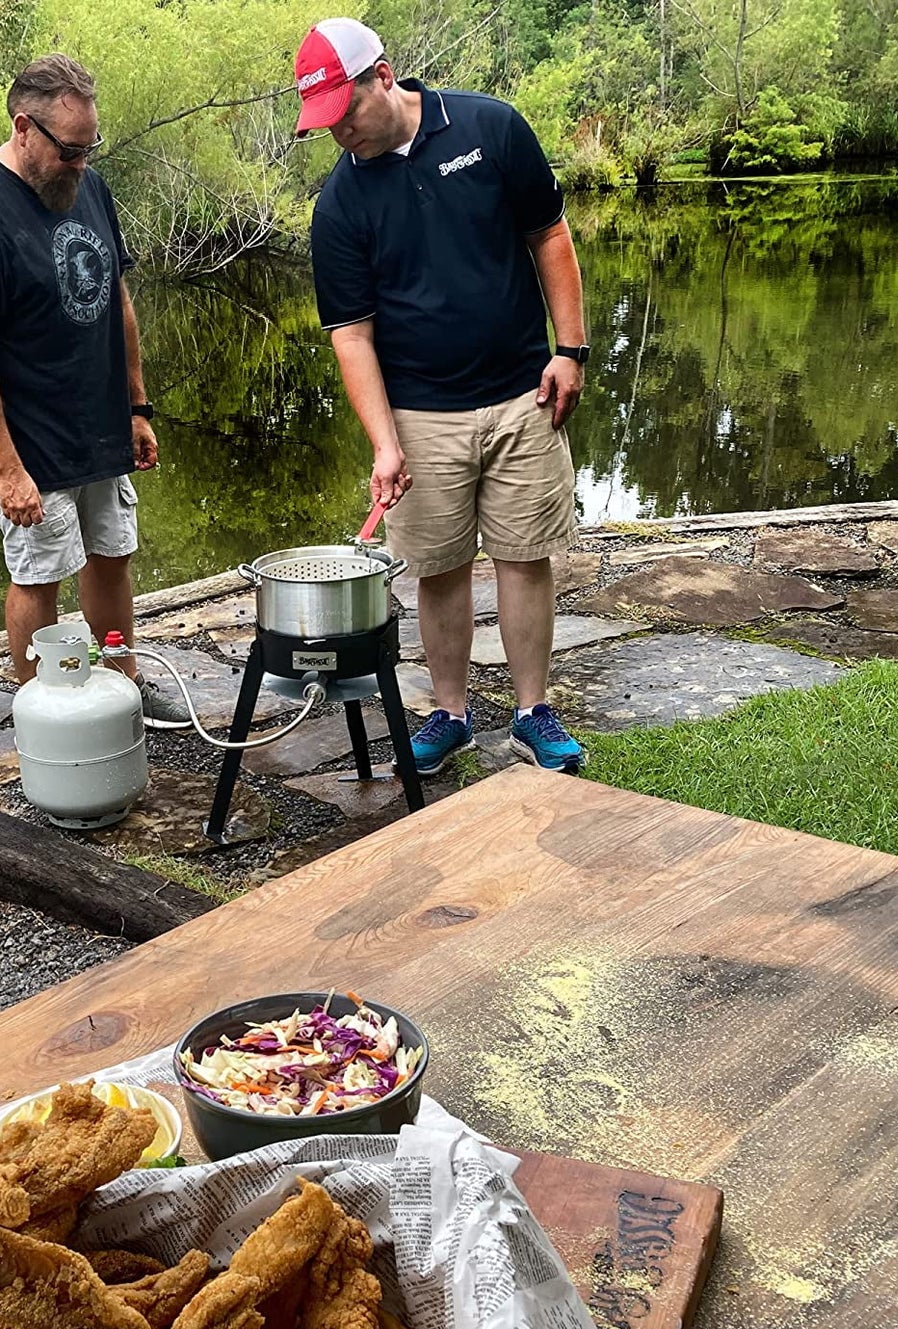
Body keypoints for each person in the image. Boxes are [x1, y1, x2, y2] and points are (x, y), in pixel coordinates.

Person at [298, 19, 587, 772]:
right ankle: (449, 713)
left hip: (523, 393)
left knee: (524, 557)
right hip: (421, 412)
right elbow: (351, 335)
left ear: (383, 77)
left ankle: (532, 710)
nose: (341, 136)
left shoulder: (489, 129)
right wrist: (384, 441)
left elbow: (549, 236)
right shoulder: (339, 204)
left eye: (346, 115)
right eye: (324, 126)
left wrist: (569, 350)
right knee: (439, 564)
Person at [0, 53, 189, 724]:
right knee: (38, 573)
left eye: (88, 148)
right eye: (70, 150)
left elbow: (117, 299)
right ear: (24, 128)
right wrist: (6, 469)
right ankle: (41, 708)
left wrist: (136, 405)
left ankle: (124, 683)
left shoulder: (86, 188)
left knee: (111, 556)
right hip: (30, 439)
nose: (80, 163)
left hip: (100, 421)